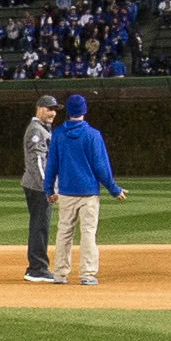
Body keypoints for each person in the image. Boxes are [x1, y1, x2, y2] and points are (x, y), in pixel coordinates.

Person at [46, 91, 123, 286]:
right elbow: (101, 167)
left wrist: (48, 189)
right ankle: (87, 274)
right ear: (84, 110)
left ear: (68, 111)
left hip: (65, 192)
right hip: (88, 193)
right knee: (88, 233)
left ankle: (60, 274)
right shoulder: (93, 135)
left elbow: (51, 164)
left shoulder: (59, 134)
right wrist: (114, 189)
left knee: (64, 233)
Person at [20, 93, 63, 283]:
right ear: (39, 108)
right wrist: (48, 188)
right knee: (39, 227)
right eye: (49, 108)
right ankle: (36, 268)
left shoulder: (44, 128)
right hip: (38, 187)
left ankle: (37, 266)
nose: (53, 113)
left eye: (55, 109)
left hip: (39, 186)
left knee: (41, 226)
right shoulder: (36, 130)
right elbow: (37, 162)